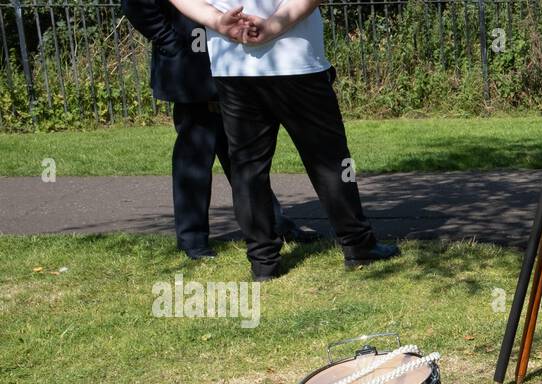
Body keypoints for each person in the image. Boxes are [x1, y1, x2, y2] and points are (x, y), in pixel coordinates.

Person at [165, 0, 398, 278]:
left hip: (232, 65)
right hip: (296, 61)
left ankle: (263, 261)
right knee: (331, 160)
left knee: (247, 168)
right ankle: (358, 244)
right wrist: (273, 25)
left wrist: (216, 20)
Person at [121, 0, 314, 260]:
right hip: (193, 68)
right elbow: (137, 6)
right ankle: (193, 239)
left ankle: (273, 223)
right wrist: (171, 43)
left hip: (233, 65)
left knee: (244, 154)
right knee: (195, 155)